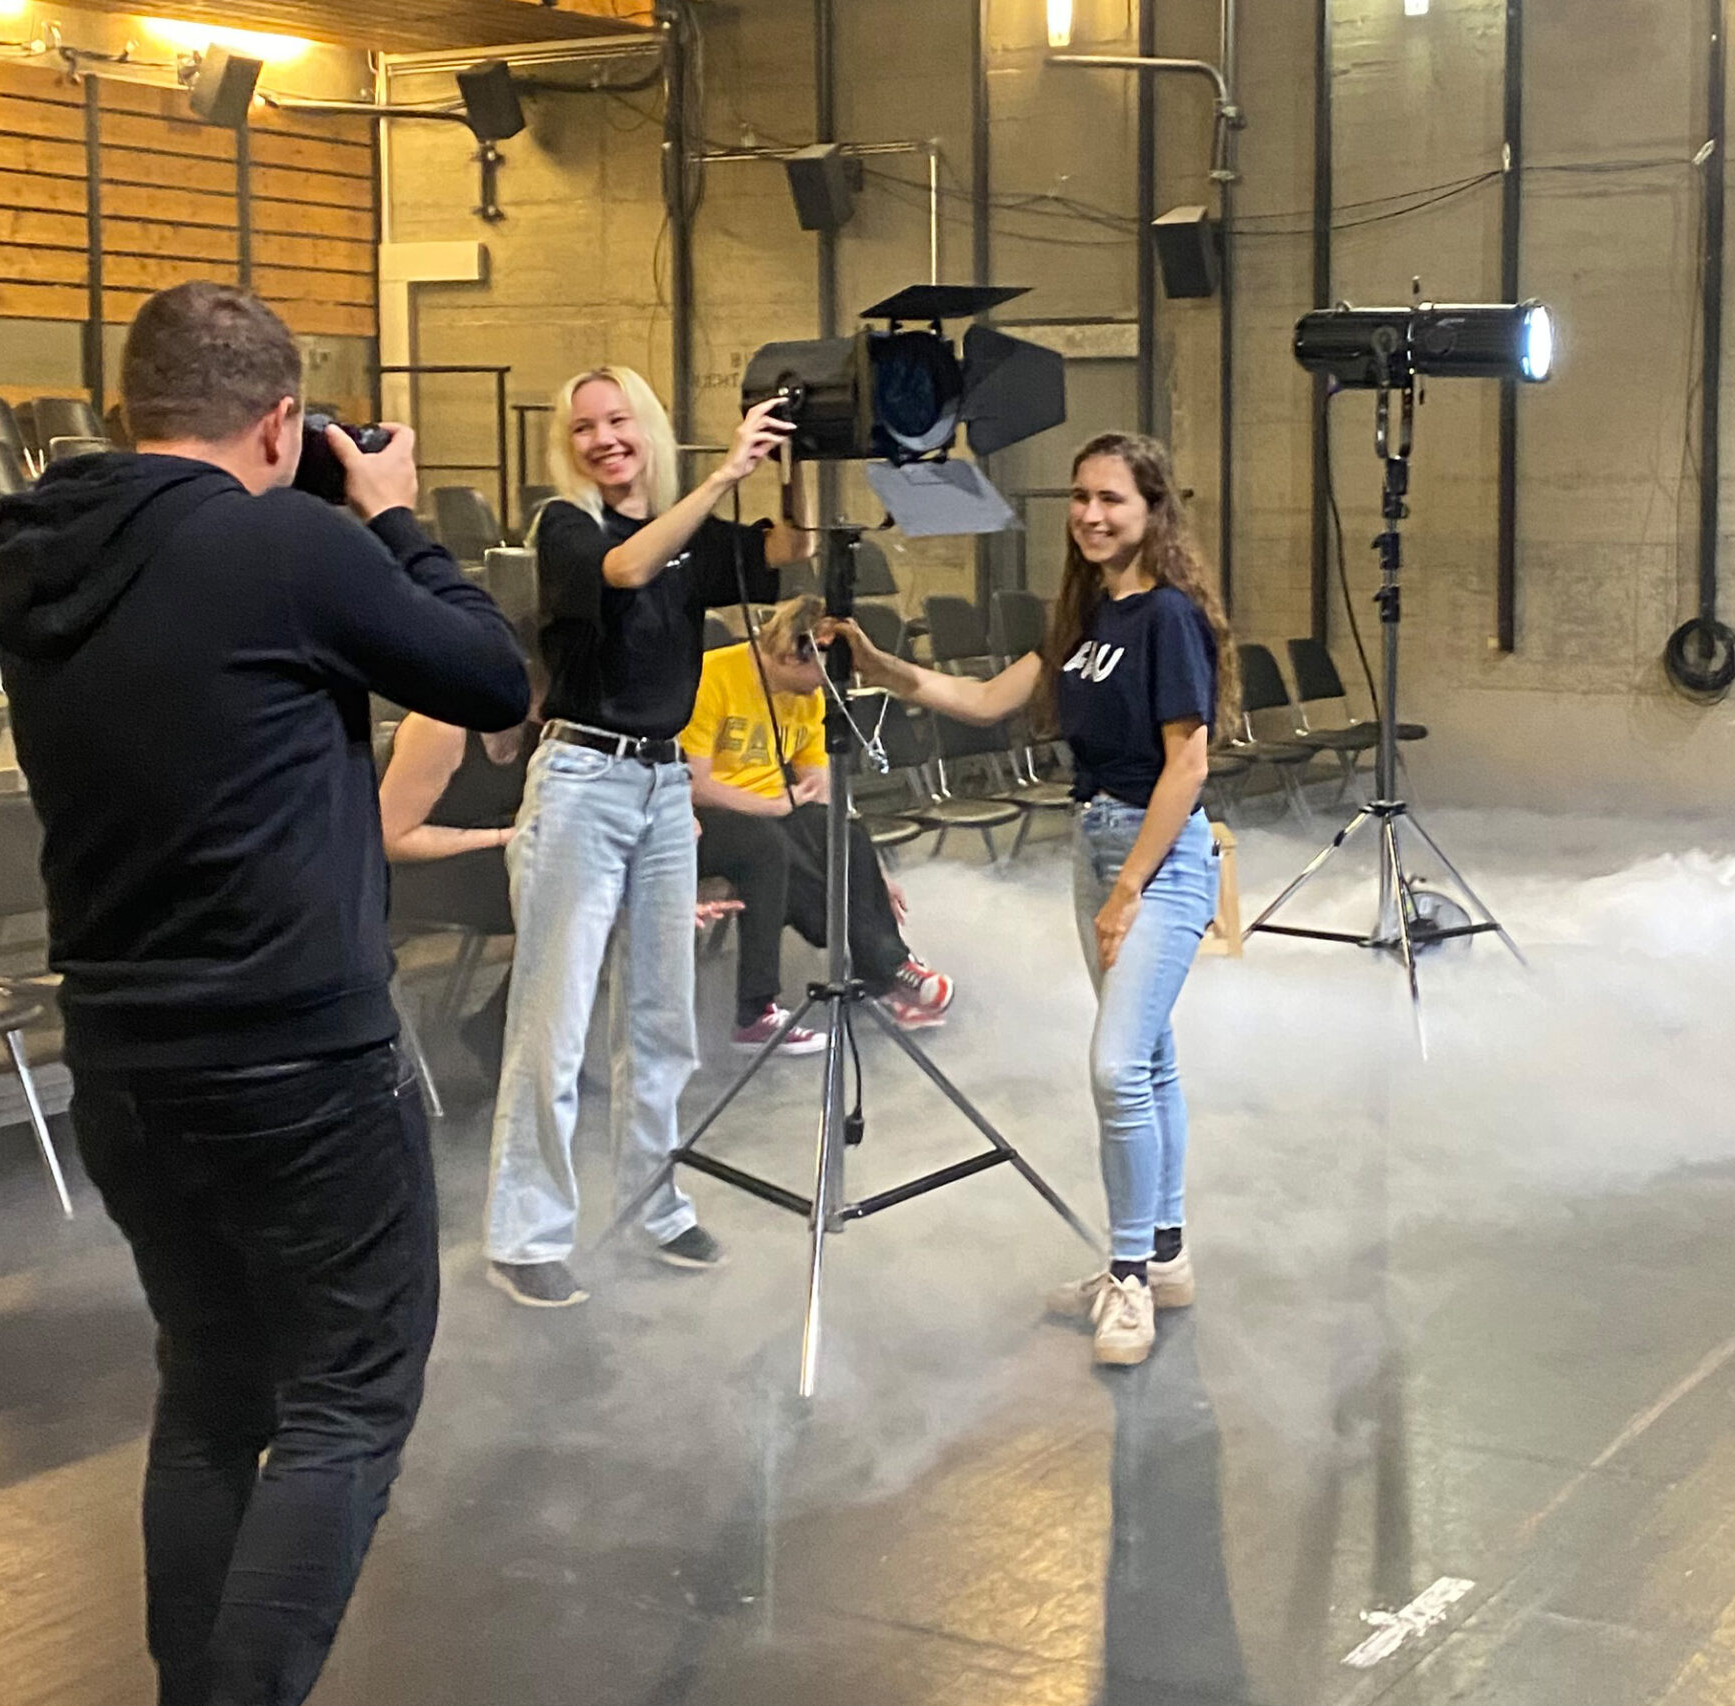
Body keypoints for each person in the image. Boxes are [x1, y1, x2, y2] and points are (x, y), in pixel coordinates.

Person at [0, 281, 530, 1706]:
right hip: (297, 1056)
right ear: (282, 421)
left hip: (122, 1057)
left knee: (214, 1389)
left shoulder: (33, 553)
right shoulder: (288, 547)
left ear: (126, 407)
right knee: (347, 1397)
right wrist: (394, 517)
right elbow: (489, 677)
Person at [829, 431, 1233, 1368]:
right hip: (1098, 844)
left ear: (1154, 511)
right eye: (1080, 498)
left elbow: (1189, 765)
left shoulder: (1168, 618)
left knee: (1117, 1069)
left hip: (1160, 860)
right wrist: (880, 664)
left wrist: (1126, 891)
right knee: (1150, 1060)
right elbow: (983, 700)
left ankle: (1127, 1276)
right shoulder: (1085, 621)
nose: (1091, 515)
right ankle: (1165, 1256)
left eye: (1112, 499)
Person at [484, 366, 807, 1309]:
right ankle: (525, 1234)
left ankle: (654, 1206)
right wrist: (723, 476)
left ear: (649, 426)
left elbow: (787, 547)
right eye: (584, 426)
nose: (603, 439)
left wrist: (796, 457)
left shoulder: (689, 531)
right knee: (554, 1020)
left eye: (617, 420)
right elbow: (625, 571)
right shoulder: (565, 525)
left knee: (662, 1017)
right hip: (582, 779)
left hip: (664, 786)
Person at [683, 594, 954, 1052]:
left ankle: (888, 975)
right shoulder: (713, 676)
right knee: (766, 844)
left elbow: (823, 794)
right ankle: (756, 1013)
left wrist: (874, 876)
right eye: (822, 671)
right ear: (794, 655)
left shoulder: (807, 697)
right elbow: (693, 784)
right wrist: (774, 807)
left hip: (777, 810)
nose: (826, 685)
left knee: (847, 835)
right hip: (701, 817)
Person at [381, 675, 541, 1077]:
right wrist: (501, 836)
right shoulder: (442, 726)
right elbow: (390, 838)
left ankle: (502, 1028)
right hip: (411, 874)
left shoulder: (536, 729)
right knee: (565, 897)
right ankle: (502, 1034)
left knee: (585, 885)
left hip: (481, 860)